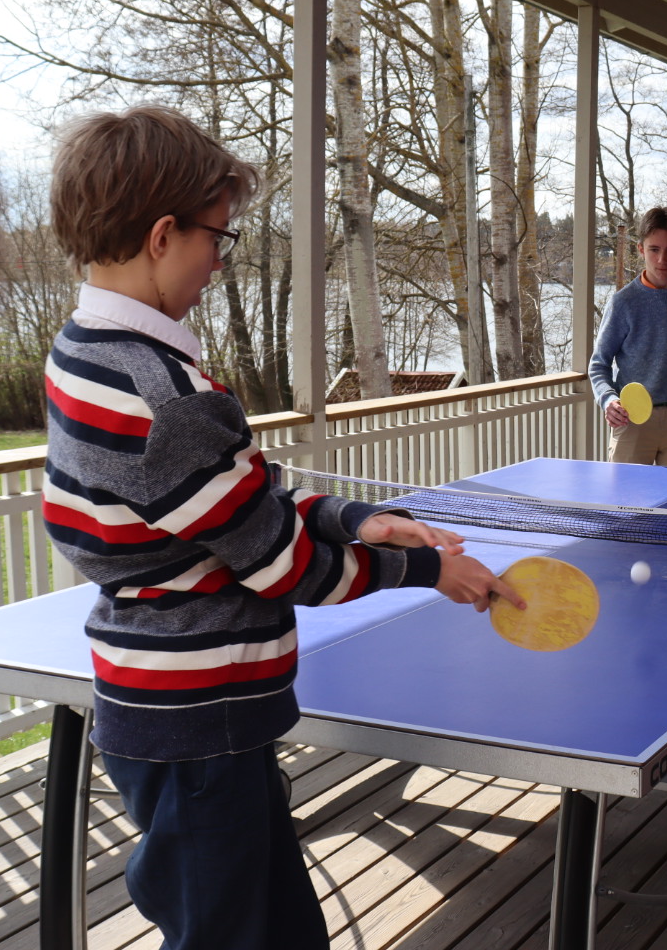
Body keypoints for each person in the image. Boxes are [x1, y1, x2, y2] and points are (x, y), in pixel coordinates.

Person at [40, 105, 525, 950]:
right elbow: (282, 565)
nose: (218, 264)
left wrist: (362, 519)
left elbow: (235, 510)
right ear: (163, 235)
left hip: (181, 710)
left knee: (283, 929)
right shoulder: (164, 396)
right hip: (201, 723)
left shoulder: (84, 351)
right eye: (216, 239)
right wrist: (425, 574)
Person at [588, 206, 667, 466]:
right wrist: (608, 399)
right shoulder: (623, 302)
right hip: (631, 419)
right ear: (640, 249)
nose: (662, 260)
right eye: (654, 249)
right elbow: (599, 364)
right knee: (625, 504)